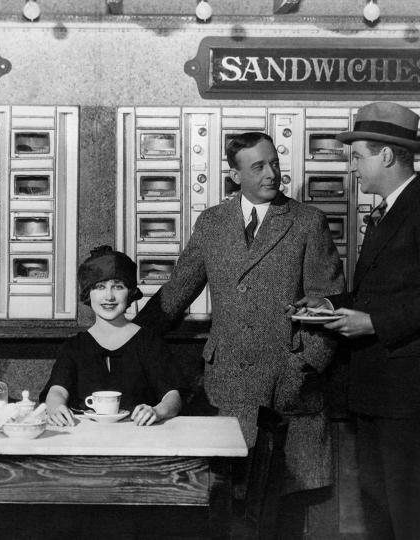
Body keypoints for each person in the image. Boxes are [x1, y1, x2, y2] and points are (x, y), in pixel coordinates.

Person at [133, 132, 346, 512]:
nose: (271, 174)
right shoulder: (213, 223)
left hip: (288, 382)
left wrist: (308, 362)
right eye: (258, 166)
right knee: (230, 502)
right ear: (235, 174)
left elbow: (327, 302)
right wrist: (127, 338)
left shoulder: (307, 222)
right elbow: (178, 289)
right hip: (227, 380)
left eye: (274, 163)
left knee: (284, 505)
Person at [315, 101, 420, 540]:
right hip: (382, 385)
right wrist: (328, 303)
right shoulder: (393, 208)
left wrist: (373, 322)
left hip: (408, 389)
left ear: (386, 155)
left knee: (406, 504)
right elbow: (385, 290)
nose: (354, 168)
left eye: (358, 156)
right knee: (379, 502)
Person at [42, 246, 182, 427]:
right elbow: (57, 391)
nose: (109, 296)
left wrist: (157, 411)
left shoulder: (149, 342)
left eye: (118, 286)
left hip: (140, 439)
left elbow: (173, 396)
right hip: (86, 441)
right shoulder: (75, 346)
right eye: (99, 287)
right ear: (88, 294)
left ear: (130, 292)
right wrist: (55, 407)